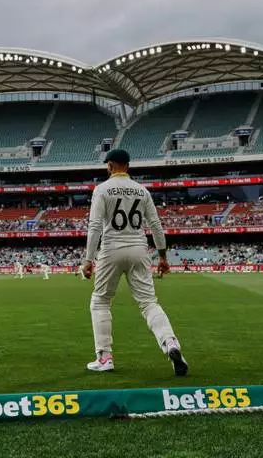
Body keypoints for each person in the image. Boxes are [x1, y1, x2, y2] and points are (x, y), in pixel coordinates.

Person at [81, 149, 187, 376]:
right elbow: (155, 225)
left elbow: (95, 226)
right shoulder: (142, 190)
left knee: (100, 302)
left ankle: (104, 357)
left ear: (110, 166)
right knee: (149, 303)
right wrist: (162, 256)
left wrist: (88, 259)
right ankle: (170, 343)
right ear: (128, 166)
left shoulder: (102, 189)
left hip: (111, 248)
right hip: (139, 248)